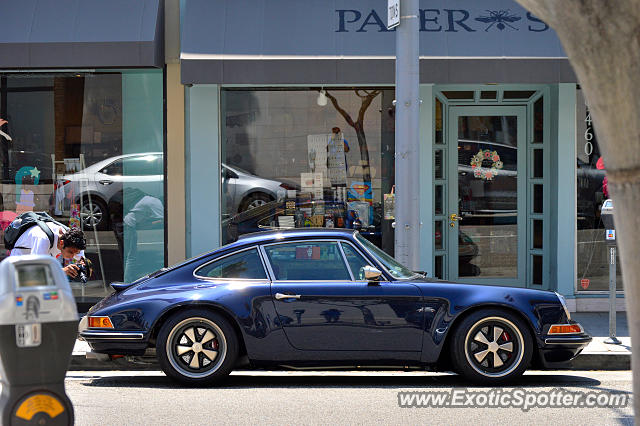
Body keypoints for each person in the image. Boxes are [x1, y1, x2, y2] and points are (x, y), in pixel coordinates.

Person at [10, 224, 87, 279]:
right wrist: (63, 270)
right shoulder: (43, 239)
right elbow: (37, 270)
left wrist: (82, 265)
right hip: (20, 264)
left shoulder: (72, 240)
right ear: (61, 243)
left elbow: (82, 260)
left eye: (76, 253)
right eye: (70, 252)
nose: (72, 256)